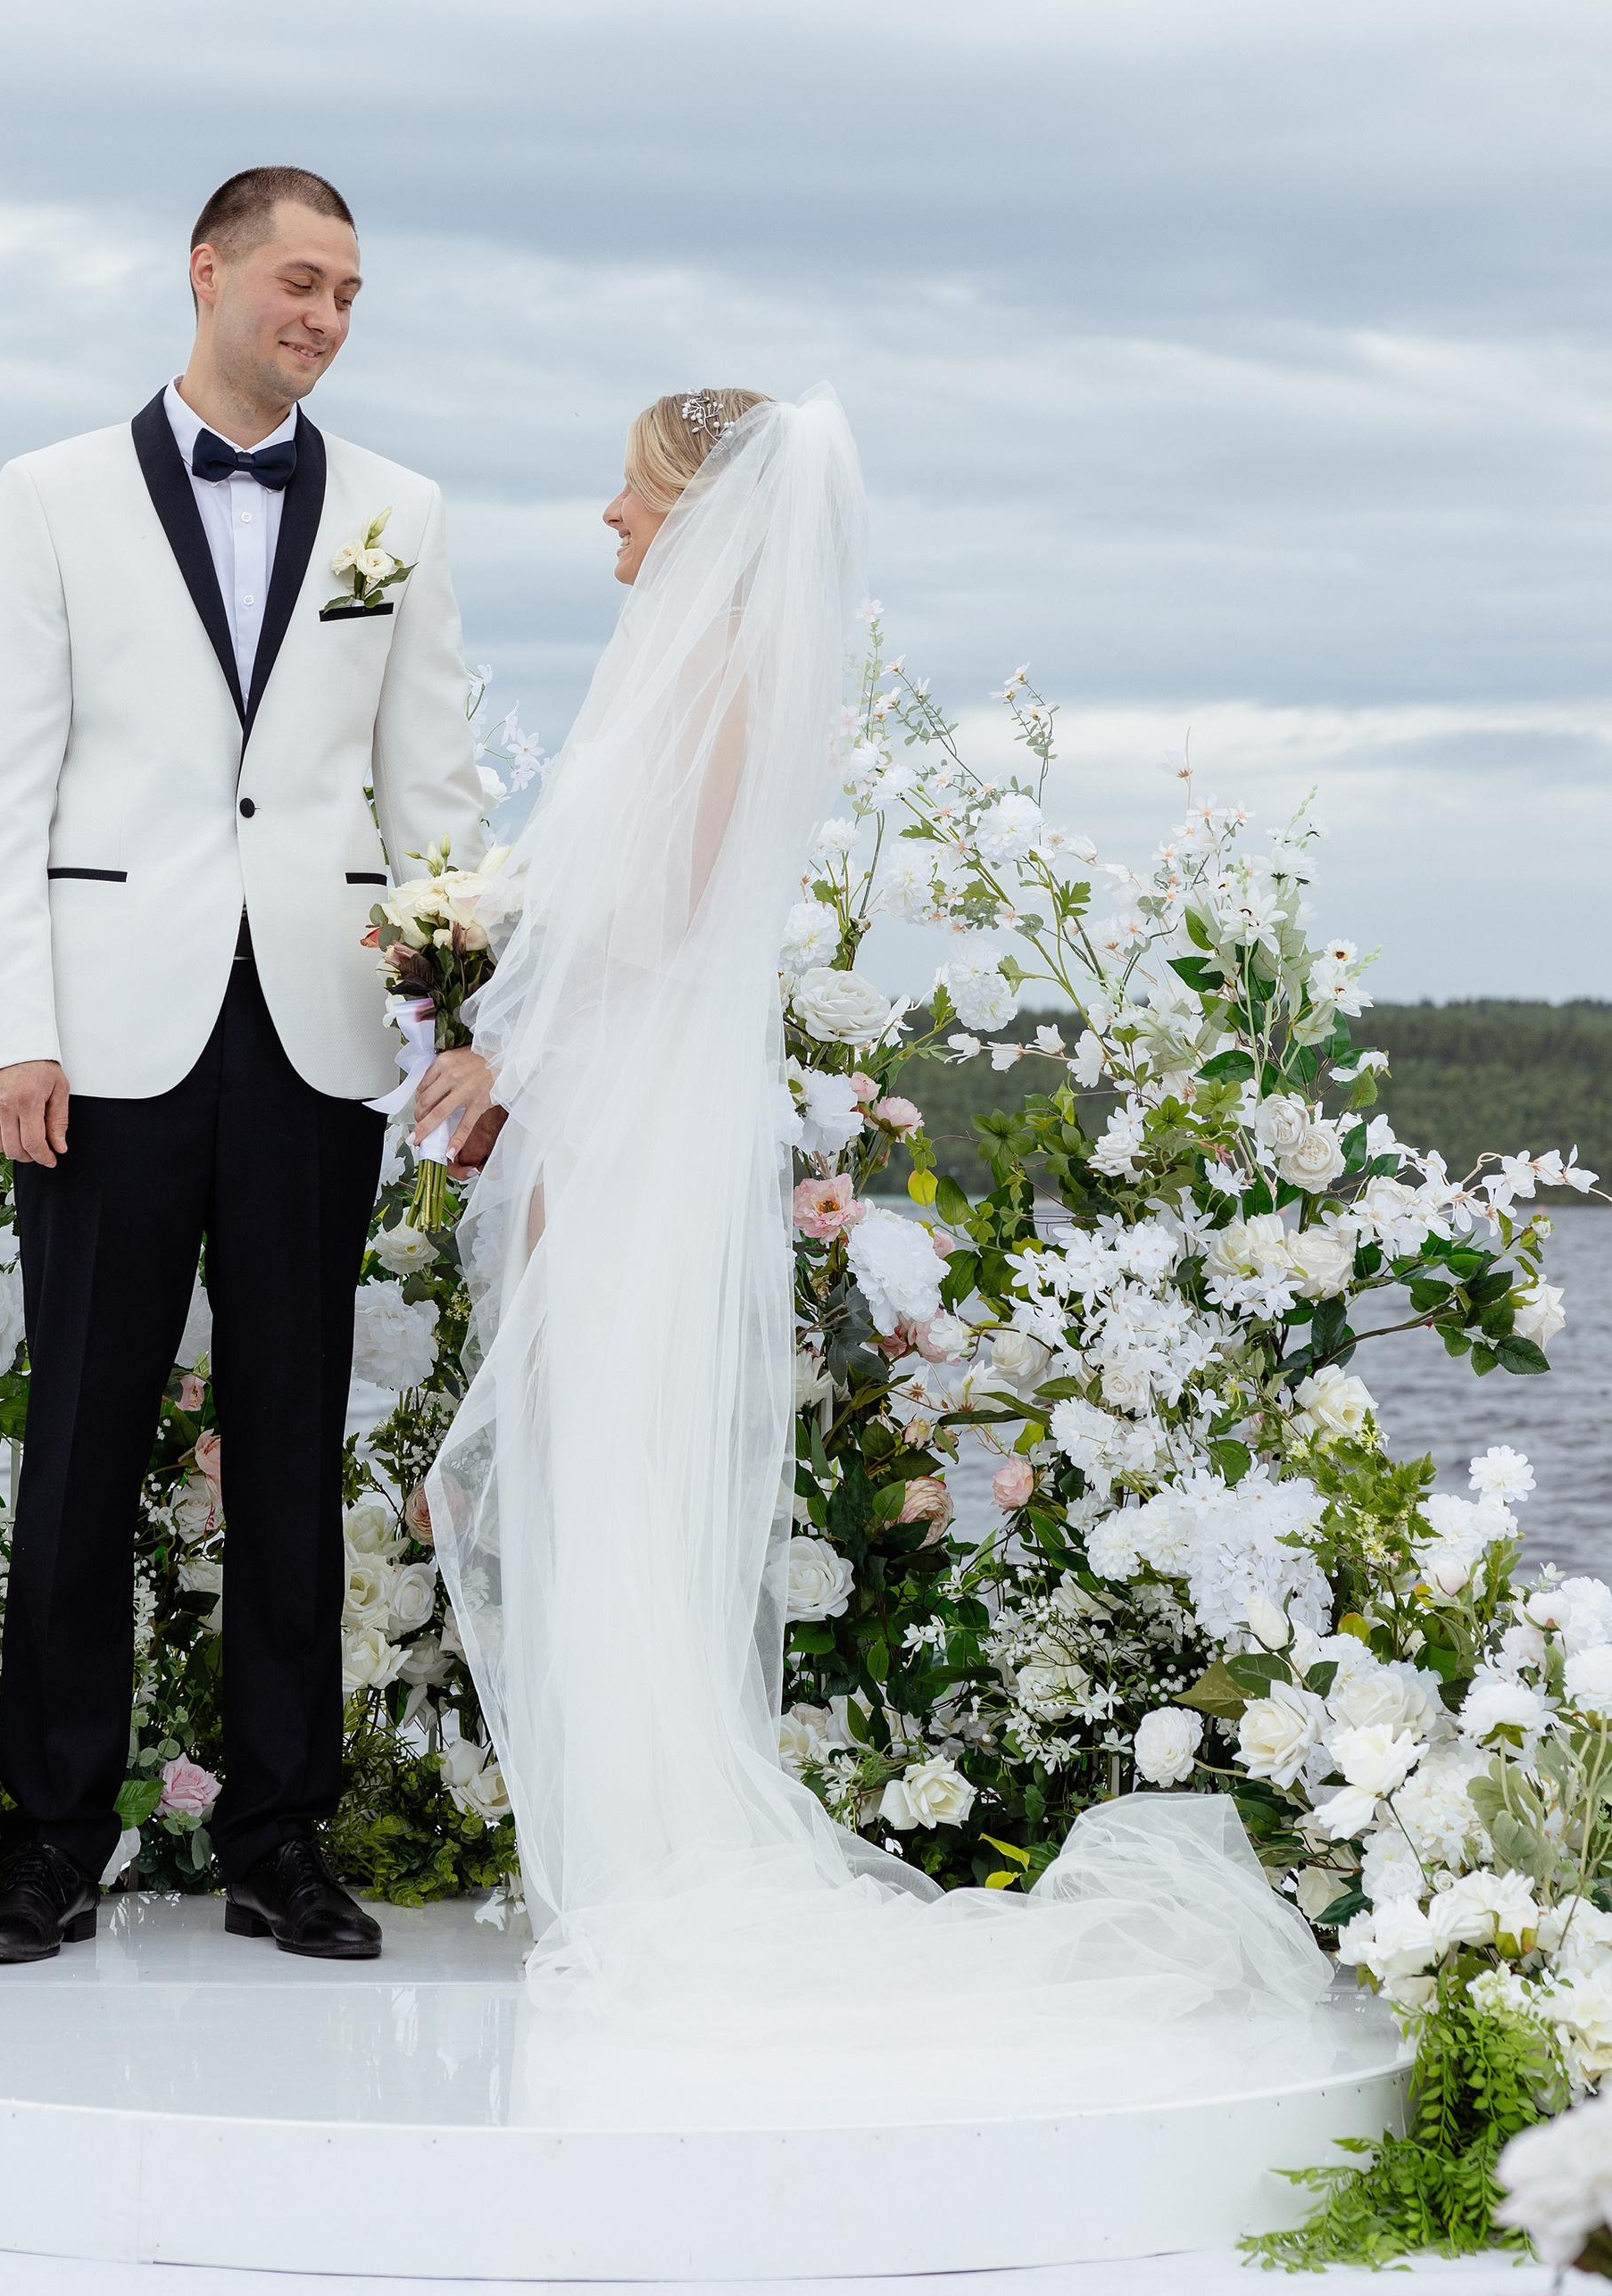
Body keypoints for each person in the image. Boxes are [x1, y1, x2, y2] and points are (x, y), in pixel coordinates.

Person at [412, 386, 1335, 2123]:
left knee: (609, 1472)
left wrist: (507, 1041)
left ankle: (648, 1874)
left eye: (627, 496)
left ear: (697, 516)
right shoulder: (704, 677)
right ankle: (618, 1857)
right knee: (595, 1471)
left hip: (626, 1128)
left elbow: (651, 918)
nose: (607, 524)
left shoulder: (714, 686)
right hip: (623, 1123)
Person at [0, 166, 487, 1966]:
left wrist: (466, 1017)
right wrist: (4, 1029)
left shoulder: (398, 513)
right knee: (82, 1443)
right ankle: (49, 1842)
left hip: (313, 1038)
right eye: (299, 281)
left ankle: (277, 1837)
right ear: (206, 270)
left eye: (348, 295)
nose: (324, 318)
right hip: (100, 1037)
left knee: (286, 1441)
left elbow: (435, 796)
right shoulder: (50, 497)